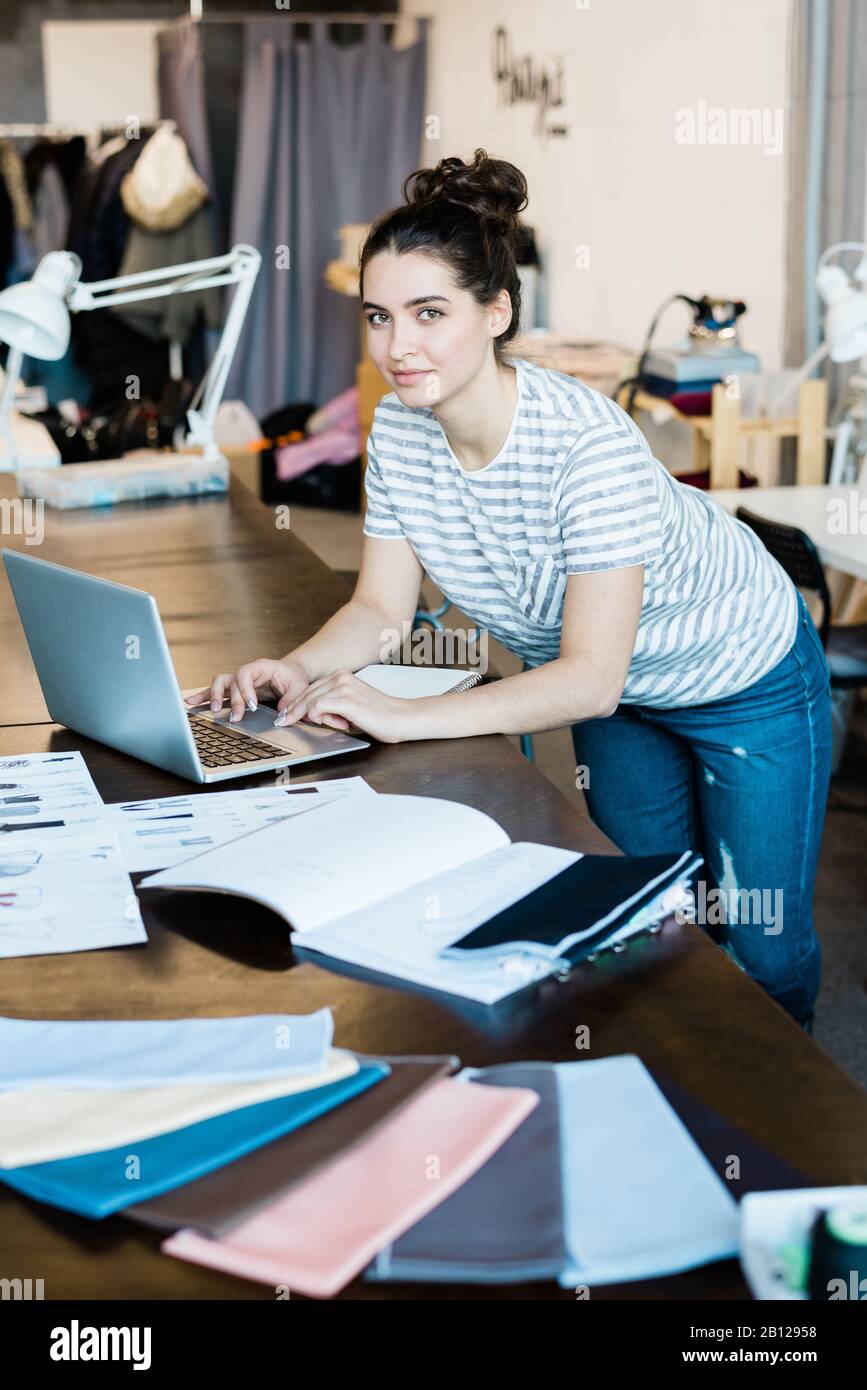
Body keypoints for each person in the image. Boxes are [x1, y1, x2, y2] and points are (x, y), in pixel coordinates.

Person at [188, 149, 832, 1030]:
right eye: (379, 317)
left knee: (759, 944)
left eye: (428, 313)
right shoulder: (399, 429)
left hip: (739, 678)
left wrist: (406, 716)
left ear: (496, 312)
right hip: (623, 693)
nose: (397, 346)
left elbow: (586, 680)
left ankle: (790, 1113)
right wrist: (293, 671)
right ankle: (683, 1099)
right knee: (641, 915)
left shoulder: (585, 448)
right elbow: (381, 611)